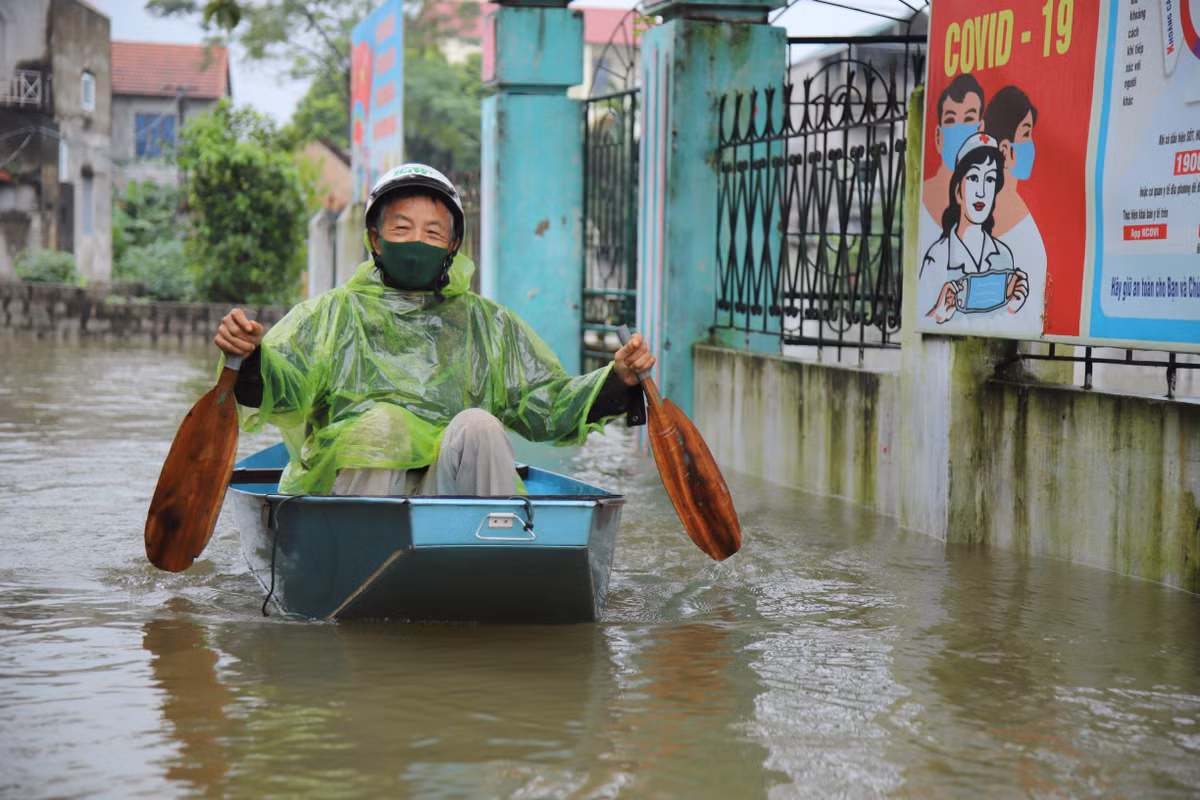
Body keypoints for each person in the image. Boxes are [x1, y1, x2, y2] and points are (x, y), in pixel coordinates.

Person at [214, 163, 656, 497]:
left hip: (447, 495)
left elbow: (549, 407)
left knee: (480, 425)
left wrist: (616, 379)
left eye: (432, 232)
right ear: (374, 238)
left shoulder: (489, 326)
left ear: (453, 245)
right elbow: (283, 387)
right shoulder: (330, 315)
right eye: (401, 228)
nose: (416, 241)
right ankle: (361, 559)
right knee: (383, 424)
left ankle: (491, 562)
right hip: (352, 497)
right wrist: (252, 357)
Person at [919, 132, 1027, 325]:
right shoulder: (937, 256)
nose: (982, 192)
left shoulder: (1003, 255)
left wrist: (1013, 309)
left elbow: (1001, 325)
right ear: (958, 190)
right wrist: (938, 314)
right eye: (974, 178)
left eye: (990, 180)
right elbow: (919, 320)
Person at [978, 85, 1047, 334]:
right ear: (1005, 150)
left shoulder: (1019, 226)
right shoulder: (1013, 224)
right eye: (1026, 134)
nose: (1032, 146)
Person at [921, 73, 986, 241]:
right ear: (938, 136)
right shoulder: (924, 200)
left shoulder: (989, 202)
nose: (959, 130)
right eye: (950, 119)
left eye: (969, 119)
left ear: (981, 130)